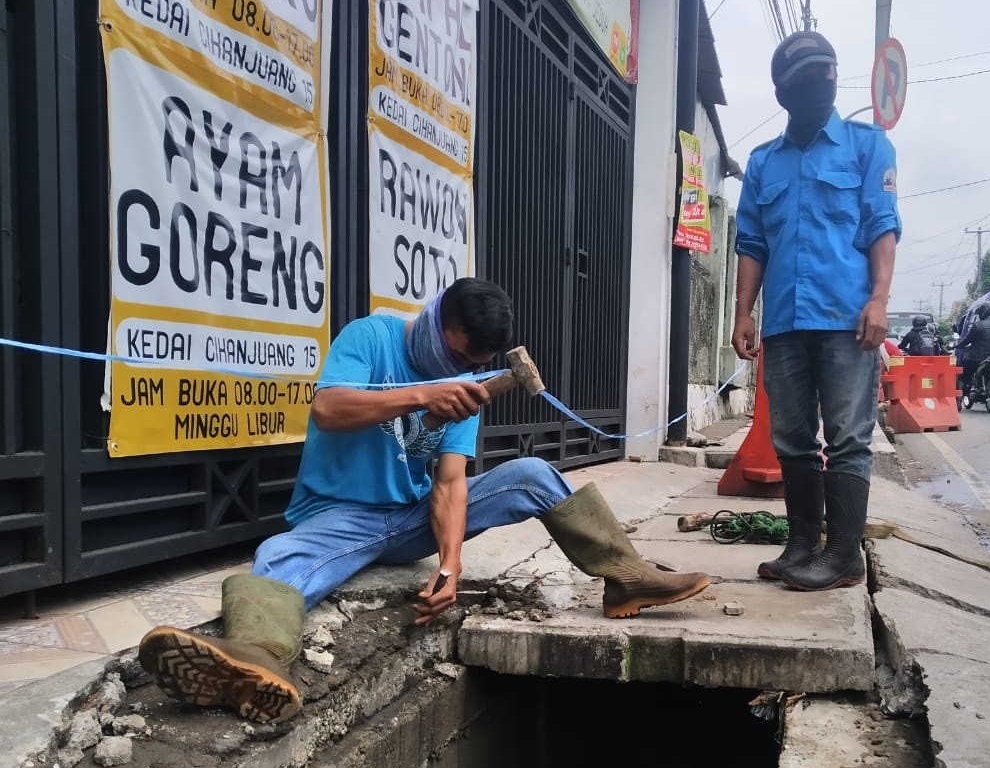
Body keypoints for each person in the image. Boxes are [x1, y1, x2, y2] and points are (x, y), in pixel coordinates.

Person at [136, 279, 711, 723]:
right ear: (439, 323)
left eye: (475, 366)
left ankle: (625, 575)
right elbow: (328, 410)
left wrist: (450, 565)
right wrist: (420, 395)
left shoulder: (467, 392)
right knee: (283, 555)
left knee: (532, 472)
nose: (466, 372)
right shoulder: (370, 338)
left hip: (408, 521)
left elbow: (450, 483)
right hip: (341, 515)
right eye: (459, 358)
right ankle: (256, 660)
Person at [731, 30, 901, 593]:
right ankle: (802, 545)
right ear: (785, 93)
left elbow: (882, 226)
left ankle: (845, 554)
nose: (820, 87)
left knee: (849, 438)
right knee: (792, 440)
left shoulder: (866, 146)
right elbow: (752, 243)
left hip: (847, 322)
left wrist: (879, 299)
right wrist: (743, 313)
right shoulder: (762, 164)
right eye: (807, 81)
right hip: (783, 324)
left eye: (827, 76)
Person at [958, 302, 990, 397]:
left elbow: (967, 340)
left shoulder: (978, 326)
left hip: (977, 357)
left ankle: (959, 398)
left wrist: (958, 346)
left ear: (983, 312)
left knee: (964, 376)